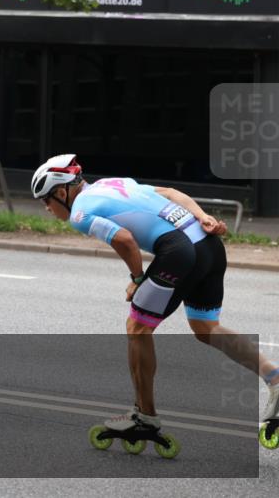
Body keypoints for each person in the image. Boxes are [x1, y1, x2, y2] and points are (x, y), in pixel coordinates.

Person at [31, 153, 279, 439]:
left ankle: (144, 417)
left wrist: (137, 279)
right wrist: (204, 217)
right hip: (209, 245)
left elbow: (124, 240)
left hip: (181, 252)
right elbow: (172, 194)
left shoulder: (80, 213)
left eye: (46, 200)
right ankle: (274, 377)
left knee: (137, 327)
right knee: (205, 327)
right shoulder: (113, 183)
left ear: (62, 192)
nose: (47, 208)